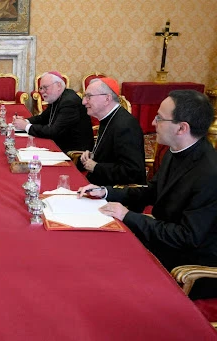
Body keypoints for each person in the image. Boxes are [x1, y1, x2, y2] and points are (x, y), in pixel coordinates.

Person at [78, 90, 217, 299]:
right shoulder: (174, 150)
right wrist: (107, 192)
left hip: (189, 265)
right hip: (164, 241)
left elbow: (187, 237)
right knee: (93, 247)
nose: (153, 123)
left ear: (182, 127)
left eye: (160, 118)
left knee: (103, 274)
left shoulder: (209, 173)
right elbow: (153, 191)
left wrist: (128, 216)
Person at [78, 77, 146, 185]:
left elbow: (132, 172)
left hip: (115, 194)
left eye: (88, 96)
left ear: (107, 99)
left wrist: (96, 167)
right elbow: (112, 155)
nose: (83, 101)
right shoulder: (107, 118)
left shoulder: (125, 126)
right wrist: (93, 155)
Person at [14, 71, 94, 153]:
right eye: (41, 88)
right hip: (59, 143)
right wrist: (25, 121)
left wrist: (26, 126)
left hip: (72, 152)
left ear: (58, 86)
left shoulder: (69, 102)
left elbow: (53, 131)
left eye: (45, 87)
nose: (41, 91)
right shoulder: (58, 97)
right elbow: (42, 118)